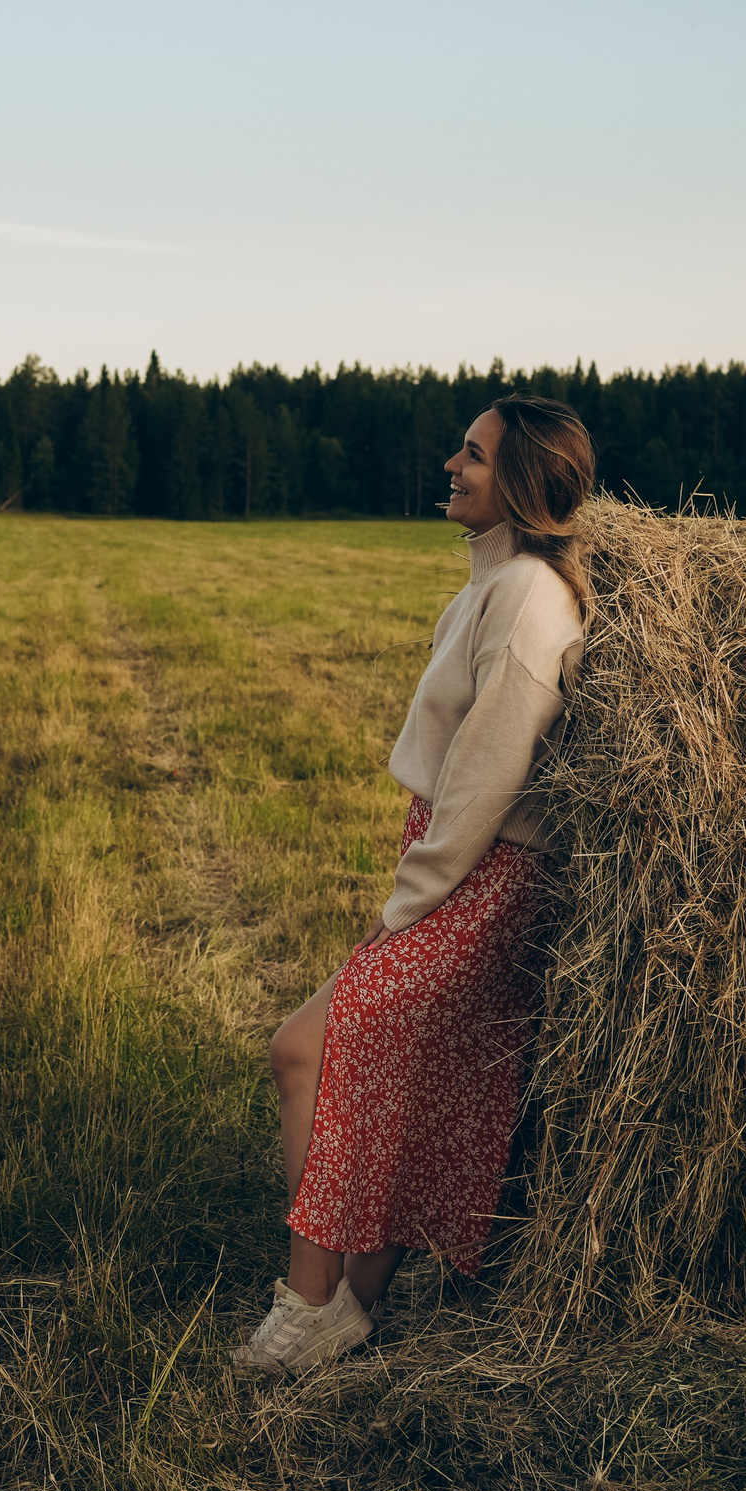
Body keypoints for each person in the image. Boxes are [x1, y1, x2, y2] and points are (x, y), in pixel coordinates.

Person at [236, 395, 595, 1373]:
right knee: (399, 1077)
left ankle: (307, 1307)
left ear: (517, 481)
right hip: (466, 866)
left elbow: (482, 786)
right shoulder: (496, 585)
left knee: (307, 1049)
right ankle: (355, 1303)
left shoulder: (526, 599)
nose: (451, 463)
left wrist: (404, 913)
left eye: (471, 456)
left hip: (486, 876)